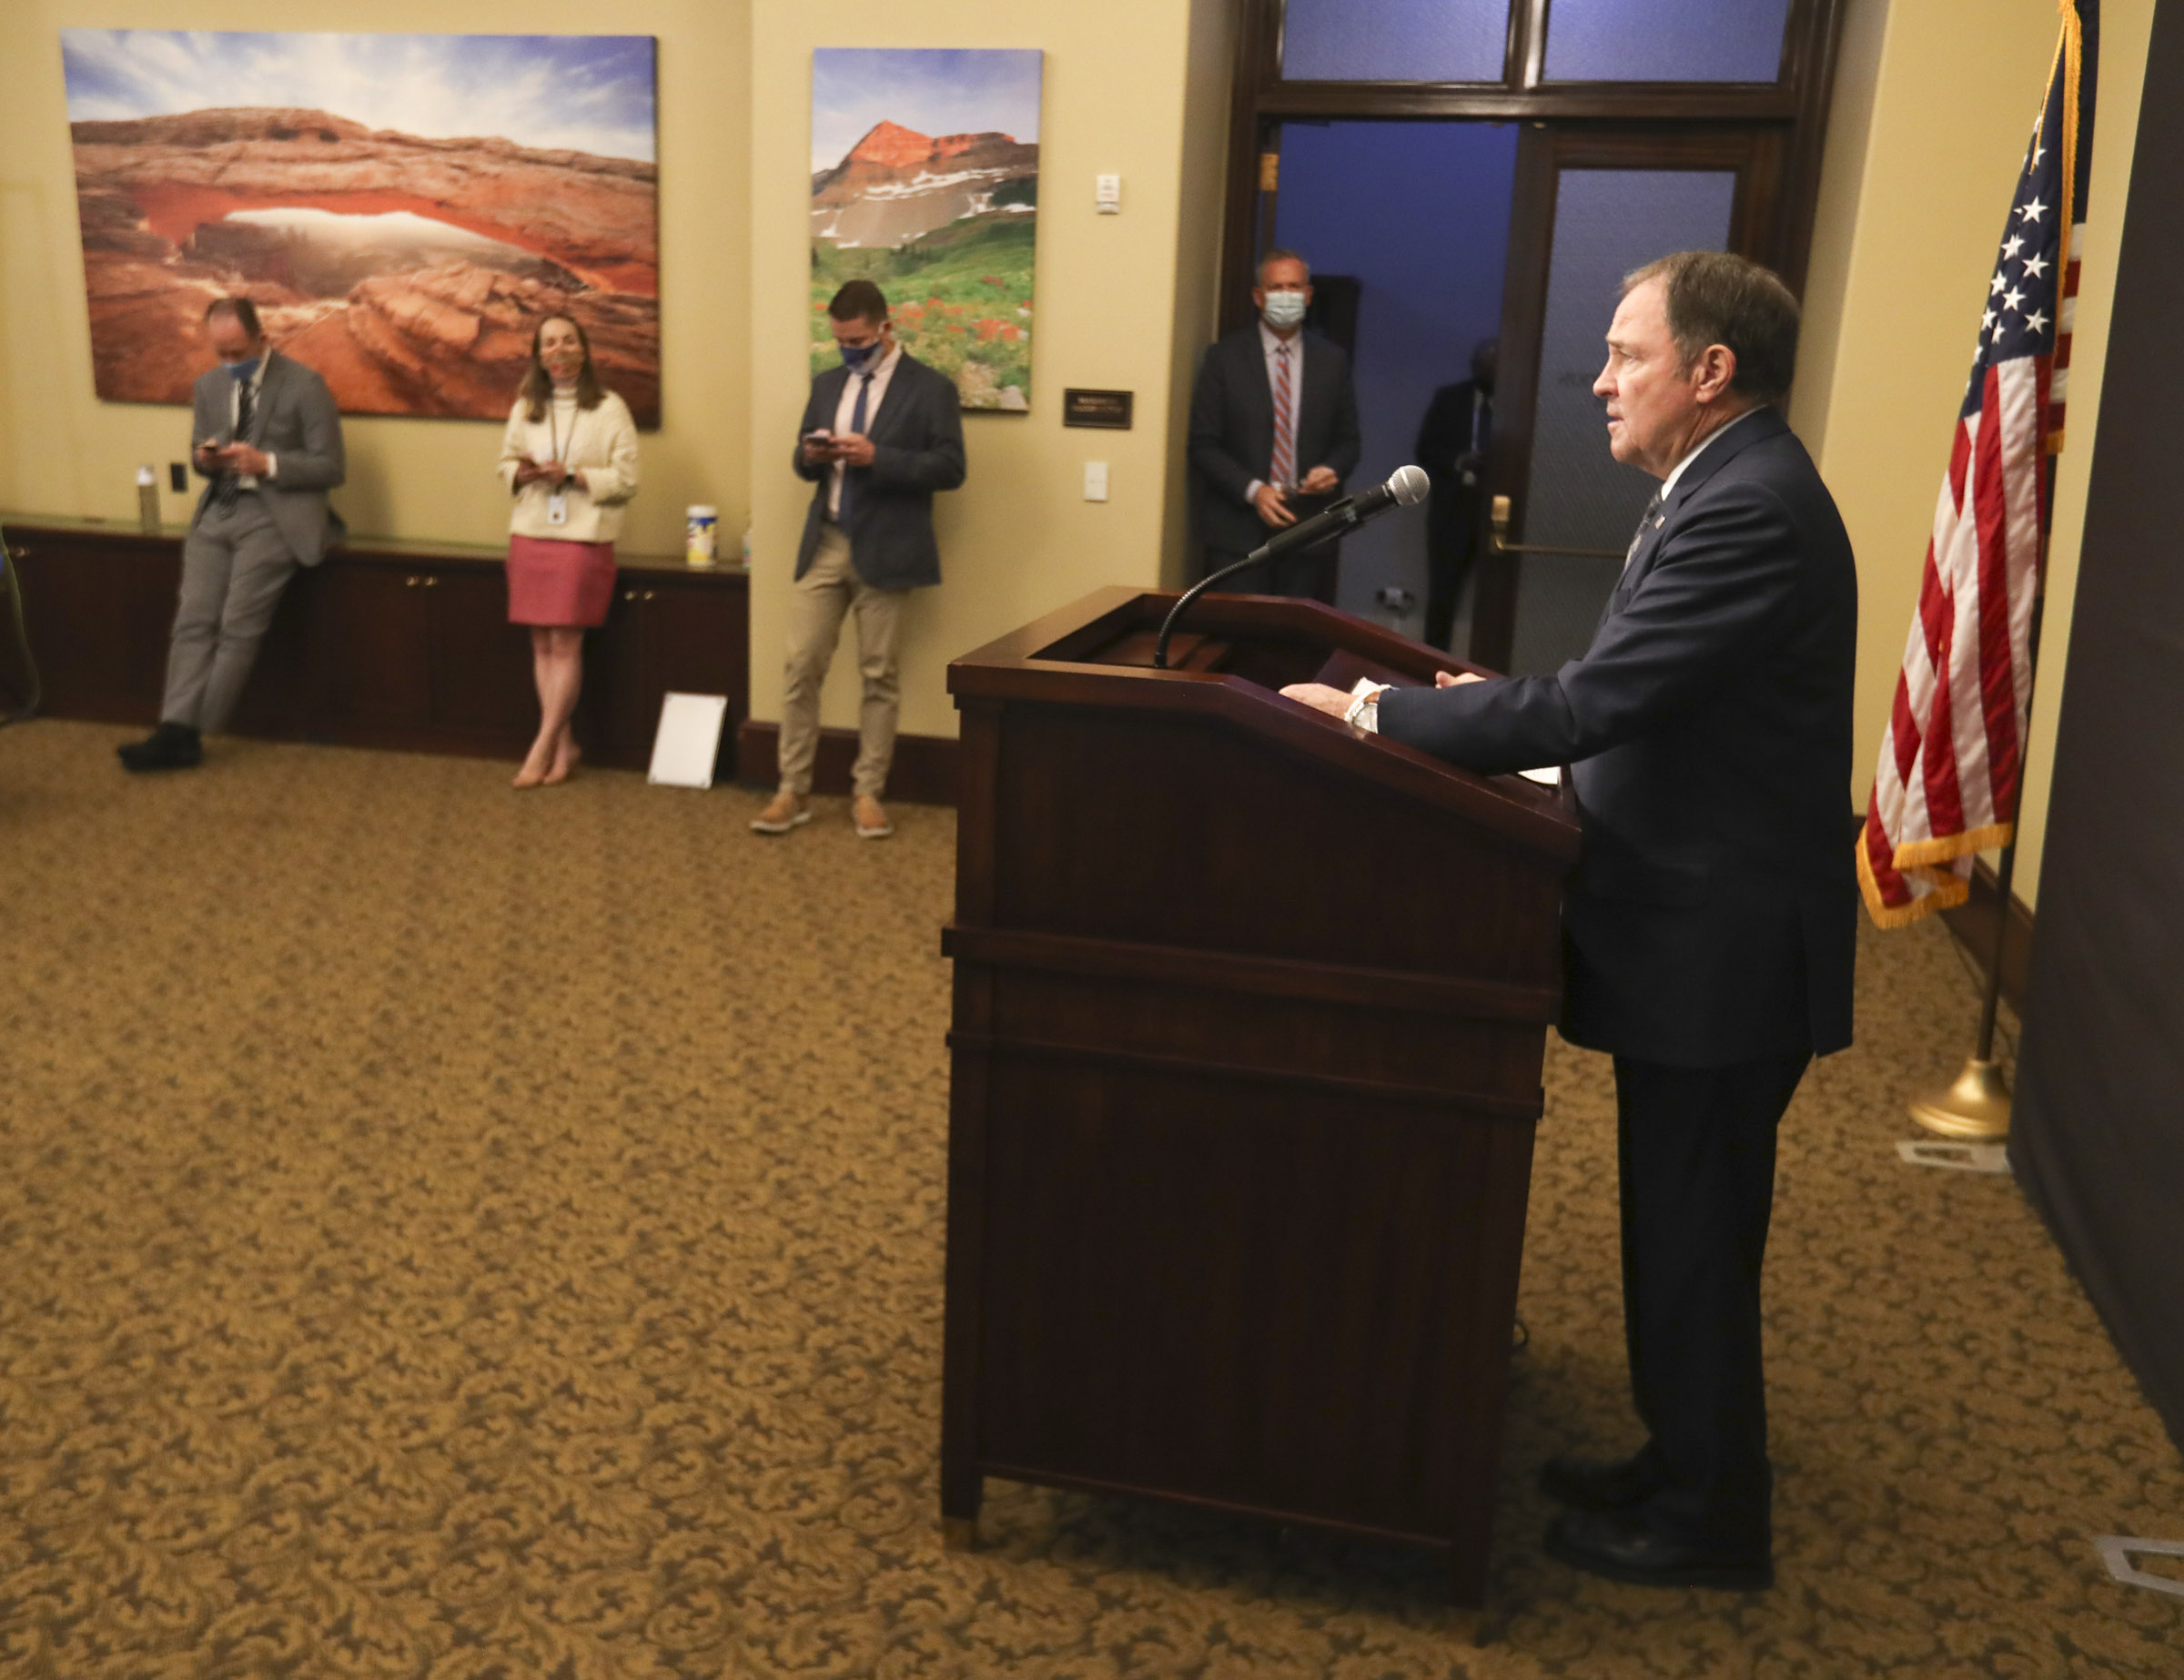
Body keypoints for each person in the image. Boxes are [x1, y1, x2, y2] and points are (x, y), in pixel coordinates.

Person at [1281, 251, 1857, 1591]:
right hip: (1694, 922)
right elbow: (1629, 697)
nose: (1599, 380)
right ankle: (1680, 1454)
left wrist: (1378, 712)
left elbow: (1598, 701)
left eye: (1626, 354)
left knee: (1697, 1232)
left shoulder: (1749, 506)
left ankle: (1714, 1514)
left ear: (1710, 372)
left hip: (1723, 944)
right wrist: (1501, 716)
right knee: (1676, 1220)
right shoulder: (1715, 483)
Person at [753, 278, 966, 840]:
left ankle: (868, 792)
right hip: (825, 540)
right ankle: (791, 789)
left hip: (888, 547)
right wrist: (809, 454)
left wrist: (880, 458)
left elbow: (950, 468)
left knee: (879, 675)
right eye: (841, 341)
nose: (850, 351)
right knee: (801, 667)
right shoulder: (827, 386)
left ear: (886, 328)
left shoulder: (930, 389)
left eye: (859, 341)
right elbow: (803, 462)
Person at [117, 297, 344, 771]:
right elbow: (200, 455)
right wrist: (207, 458)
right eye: (220, 353)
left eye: (238, 352)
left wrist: (269, 463)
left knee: (237, 627)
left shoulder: (305, 385)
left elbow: (331, 466)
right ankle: (174, 726)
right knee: (191, 623)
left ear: (263, 339)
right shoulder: (208, 387)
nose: (229, 364)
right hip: (217, 513)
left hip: (274, 515)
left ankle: (188, 732)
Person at [497, 314, 641, 788]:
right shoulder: (526, 406)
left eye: (568, 342)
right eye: (549, 344)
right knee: (541, 644)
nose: (559, 351)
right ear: (539, 355)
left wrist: (574, 477)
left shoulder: (610, 407)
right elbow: (505, 463)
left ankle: (540, 746)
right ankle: (564, 744)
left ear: (584, 349)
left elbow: (626, 481)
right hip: (532, 531)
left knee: (565, 645)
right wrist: (524, 473)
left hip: (582, 538)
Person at [1187, 249, 1361, 602]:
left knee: (1293, 648)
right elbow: (1204, 444)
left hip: (1309, 529)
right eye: (1276, 287)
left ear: (1308, 295)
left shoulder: (1333, 361)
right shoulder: (1223, 358)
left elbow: (1349, 441)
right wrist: (1253, 489)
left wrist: (1331, 469)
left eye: (1294, 287)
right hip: (1236, 537)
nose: (1286, 296)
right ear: (1258, 296)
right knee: (1237, 643)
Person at [1413, 338, 1497, 652]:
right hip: (1453, 510)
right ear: (1475, 367)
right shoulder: (1450, 399)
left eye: (1496, 365)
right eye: (1485, 364)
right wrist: (1460, 460)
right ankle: (1430, 666)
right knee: (1442, 596)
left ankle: (1485, 671)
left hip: (1497, 508)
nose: (1491, 370)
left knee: (1495, 601)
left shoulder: (1518, 399)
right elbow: (1425, 449)